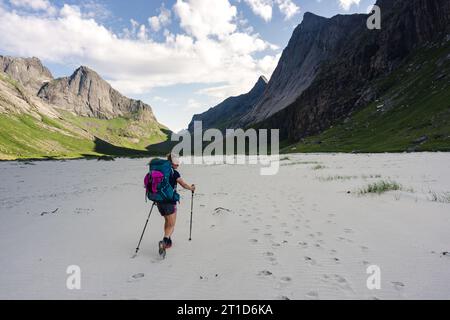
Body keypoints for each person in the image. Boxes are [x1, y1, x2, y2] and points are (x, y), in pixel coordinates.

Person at [157, 153, 195, 250]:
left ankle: (168, 241)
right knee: (172, 224)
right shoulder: (174, 173)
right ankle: (165, 241)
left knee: (167, 221)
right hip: (170, 201)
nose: (178, 165)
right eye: (176, 163)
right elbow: (183, 184)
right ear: (171, 163)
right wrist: (191, 188)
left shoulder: (160, 172)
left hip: (159, 201)